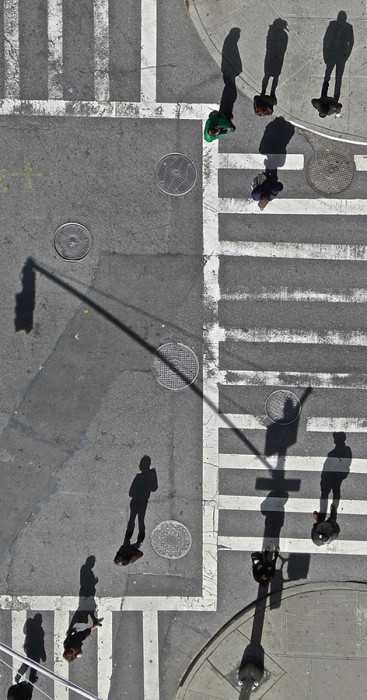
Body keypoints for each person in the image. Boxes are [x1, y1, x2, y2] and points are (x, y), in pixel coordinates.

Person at [124, 456, 158, 545]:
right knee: (137, 520)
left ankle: (132, 539)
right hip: (139, 501)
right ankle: (136, 540)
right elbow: (131, 492)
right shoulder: (143, 476)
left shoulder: (145, 476)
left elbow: (154, 488)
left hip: (139, 500)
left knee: (136, 520)